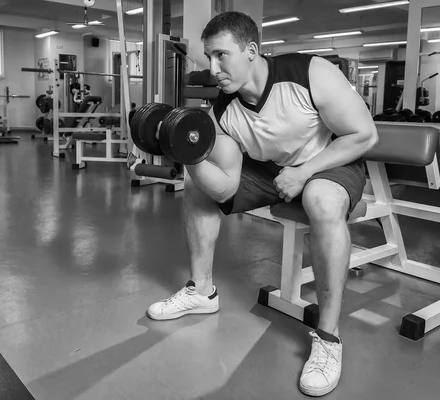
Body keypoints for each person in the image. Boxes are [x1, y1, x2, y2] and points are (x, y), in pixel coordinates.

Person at [146, 11, 378, 397]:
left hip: (331, 161)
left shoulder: (309, 72)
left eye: (222, 56)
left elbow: (362, 134)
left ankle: (328, 338)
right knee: (196, 183)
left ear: (251, 50)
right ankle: (201, 291)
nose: (214, 68)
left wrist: (304, 174)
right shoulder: (222, 112)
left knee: (321, 200)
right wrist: (185, 154)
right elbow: (224, 189)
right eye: (209, 58)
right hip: (272, 170)